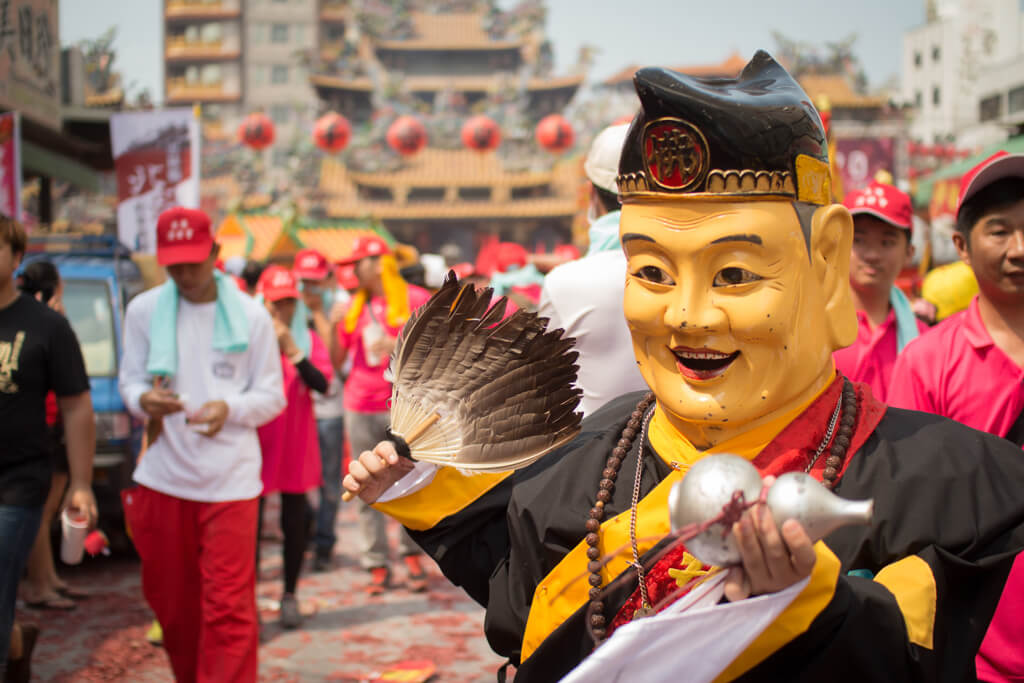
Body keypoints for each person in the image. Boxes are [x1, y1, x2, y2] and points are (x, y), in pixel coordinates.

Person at [343, 53, 1024, 682]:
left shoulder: (954, 486)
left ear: (826, 265)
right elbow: (523, 613)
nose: (686, 317)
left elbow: (921, 656)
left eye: (733, 273)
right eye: (652, 272)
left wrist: (816, 604)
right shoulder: (586, 454)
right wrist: (429, 490)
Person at [119, 206, 285, 682]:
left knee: (229, 610)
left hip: (229, 482)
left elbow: (272, 397)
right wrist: (144, 399)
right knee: (172, 610)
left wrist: (227, 409)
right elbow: (129, 383)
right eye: (174, 264)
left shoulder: (251, 317)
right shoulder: (144, 310)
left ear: (215, 253)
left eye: (194, 262)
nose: (185, 274)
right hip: (164, 477)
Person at [888, 151, 1024, 683]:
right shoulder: (927, 362)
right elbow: (907, 517)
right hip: (972, 651)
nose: (1020, 249)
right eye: (1000, 231)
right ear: (961, 245)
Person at [0, 217, 96, 677]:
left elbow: (77, 407)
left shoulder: (46, 326)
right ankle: (16, 645)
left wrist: (80, 483)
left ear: (16, 257)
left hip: (19, 480)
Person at [331, 235, 431, 594]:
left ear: (378, 263)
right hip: (359, 404)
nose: (354, 270)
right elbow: (337, 362)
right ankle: (376, 561)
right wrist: (332, 325)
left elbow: (435, 352)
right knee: (363, 483)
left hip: (403, 409)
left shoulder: (416, 300)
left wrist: (397, 344)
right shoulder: (352, 308)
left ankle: (411, 553)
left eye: (358, 262)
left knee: (410, 481)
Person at [537, 123, 649, 416]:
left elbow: (543, 386)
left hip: (595, 455)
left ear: (591, 194)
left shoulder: (564, 283)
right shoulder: (691, 274)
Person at [255, 265, 331, 629]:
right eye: (275, 303)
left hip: (295, 442)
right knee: (248, 523)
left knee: (294, 520)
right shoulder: (249, 338)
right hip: (255, 444)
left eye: (288, 302)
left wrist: (293, 350)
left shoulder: (307, 338)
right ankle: (245, 596)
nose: (282, 310)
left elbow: (322, 384)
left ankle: (289, 594)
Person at [16, 262, 87, 611]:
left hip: (54, 425)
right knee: (41, 512)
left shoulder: (45, 321)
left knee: (48, 509)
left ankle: (50, 580)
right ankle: (39, 585)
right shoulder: (41, 323)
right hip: (42, 425)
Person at [831, 181, 928, 402]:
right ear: (837, 244)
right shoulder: (815, 330)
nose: (872, 254)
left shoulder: (925, 341)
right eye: (858, 240)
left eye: (886, 242)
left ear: (909, 252)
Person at [292, 249, 349, 572]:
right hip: (297, 410)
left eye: (315, 282)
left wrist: (323, 319)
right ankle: (305, 535)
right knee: (299, 481)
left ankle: (324, 543)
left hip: (329, 409)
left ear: (328, 280)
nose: (309, 290)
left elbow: (336, 362)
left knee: (329, 481)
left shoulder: (340, 309)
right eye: (304, 282)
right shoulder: (288, 306)